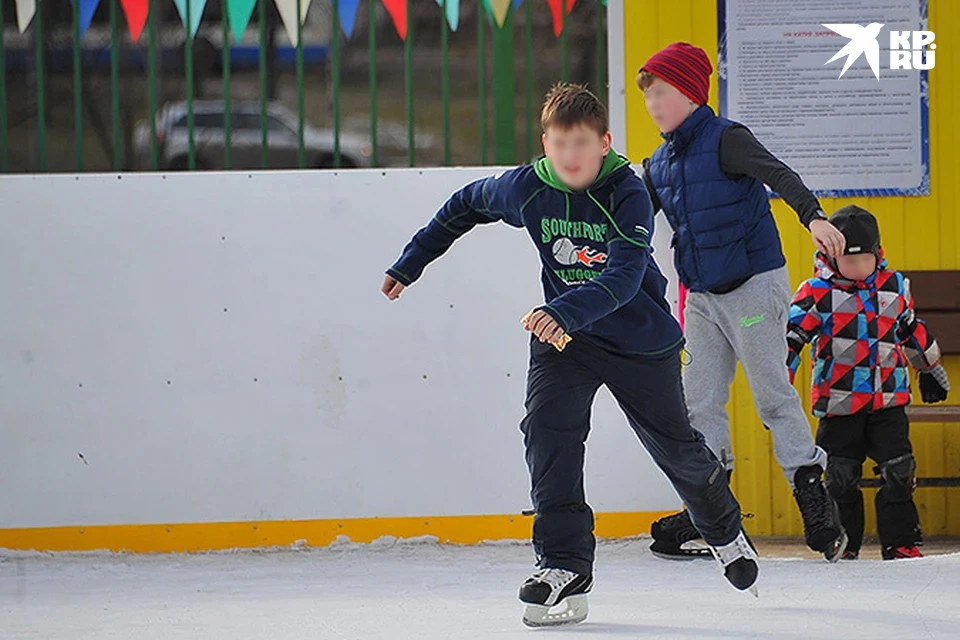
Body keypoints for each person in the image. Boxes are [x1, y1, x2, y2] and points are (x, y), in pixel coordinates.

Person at [382, 83, 757, 628]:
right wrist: (410, 262)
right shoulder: (528, 187)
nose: (571, 156)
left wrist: (563, 311)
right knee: (547, 434)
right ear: (546, 144)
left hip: (638, 341)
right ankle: (563, 565)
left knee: (676, 450)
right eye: (560, 144)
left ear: (604, 142)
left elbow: (625, 276)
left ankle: (724, 531)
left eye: (581, 143)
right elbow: (465, 204)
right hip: (566, 341)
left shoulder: (626, 190)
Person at [637, 42, 848, 561]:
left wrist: (814, 216)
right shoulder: (658, 163)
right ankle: (710, 512)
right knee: (700, 401)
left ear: (688, 92)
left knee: (772, 394)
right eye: (648, 97)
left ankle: (812, 494)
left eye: (660, 93)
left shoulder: (726, 139)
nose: (653, 105)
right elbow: (636, 219)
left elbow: (777, 173)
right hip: (703, 297)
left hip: (753, 284)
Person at [786, 205, 950, 560]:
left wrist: (929, 368)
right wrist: (781, 382)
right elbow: (791, 339)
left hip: (888, 399)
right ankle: (845, 542)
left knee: (899, 471)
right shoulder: (816, 293)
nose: (857, 268)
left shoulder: (894, 287)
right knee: (841, 476)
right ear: (831, 258)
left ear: (878, 254)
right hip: (839, 401)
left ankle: (900, 541)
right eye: (847, 261)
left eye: (864, 261)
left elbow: (910, 330)